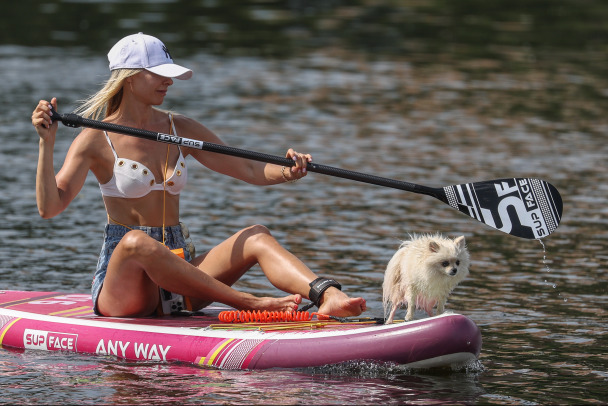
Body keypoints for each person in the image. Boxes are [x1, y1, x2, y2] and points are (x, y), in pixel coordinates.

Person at [32, 32, 366, 318]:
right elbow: (50, 207)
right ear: (130, 77)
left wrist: (289, 170)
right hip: (126, 287)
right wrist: (46, 145)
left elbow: (247, 168)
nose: (169, 81)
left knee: (256, 235)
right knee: (137, 242)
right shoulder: (94, 139)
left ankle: (328, 296)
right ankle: (249, 302)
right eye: (159, 74)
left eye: (169, 74)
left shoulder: (181, 128)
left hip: (180, 274)